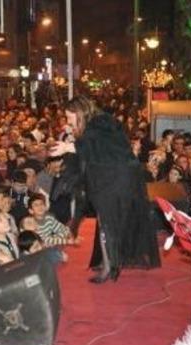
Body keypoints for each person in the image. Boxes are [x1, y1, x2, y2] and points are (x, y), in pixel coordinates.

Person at [48, 96, 160, 283]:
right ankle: (110, 263)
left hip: (117, 180)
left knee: (108, 222)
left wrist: (69, 146)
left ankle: (110, 265)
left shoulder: (101, 122)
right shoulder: (95, 125)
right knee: (106, 222)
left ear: (79, 112)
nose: (68, 122)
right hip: (108, 180)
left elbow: (97, 145)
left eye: (69, 117)